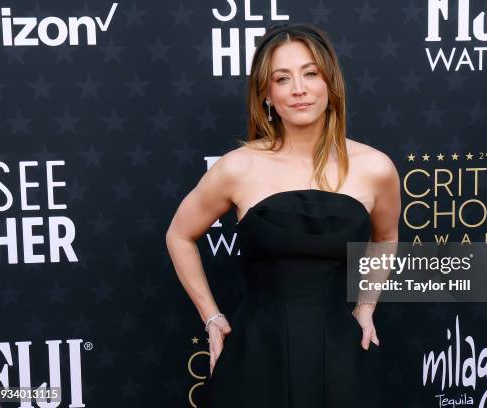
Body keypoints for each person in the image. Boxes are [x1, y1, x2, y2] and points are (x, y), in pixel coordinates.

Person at [165, 23, 401, 408]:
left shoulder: (375, 168)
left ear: (330, 83)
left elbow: (386, 237)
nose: (299, 89)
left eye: (310, 73)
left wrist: (366, 306)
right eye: (282, 78)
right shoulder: (237, 167)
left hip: (342, 353)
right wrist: (211, 319)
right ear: (267, 94)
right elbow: (179, 235)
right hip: (256, 355)